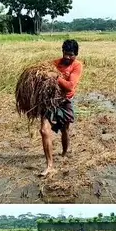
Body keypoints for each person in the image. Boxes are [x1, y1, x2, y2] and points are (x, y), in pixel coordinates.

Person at [40, 39, 84, 177]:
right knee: (44, 130)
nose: (67, 57)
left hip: (65, 101)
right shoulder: (54, 63)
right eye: (65, 53)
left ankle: (64, 152)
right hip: (50, 101)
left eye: (71, 54)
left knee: (65, 130)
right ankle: (50, 166)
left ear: (75, 55)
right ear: (62, 52)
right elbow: (44, 76)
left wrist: (56, 77)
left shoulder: (77, 66)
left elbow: (70, 86)